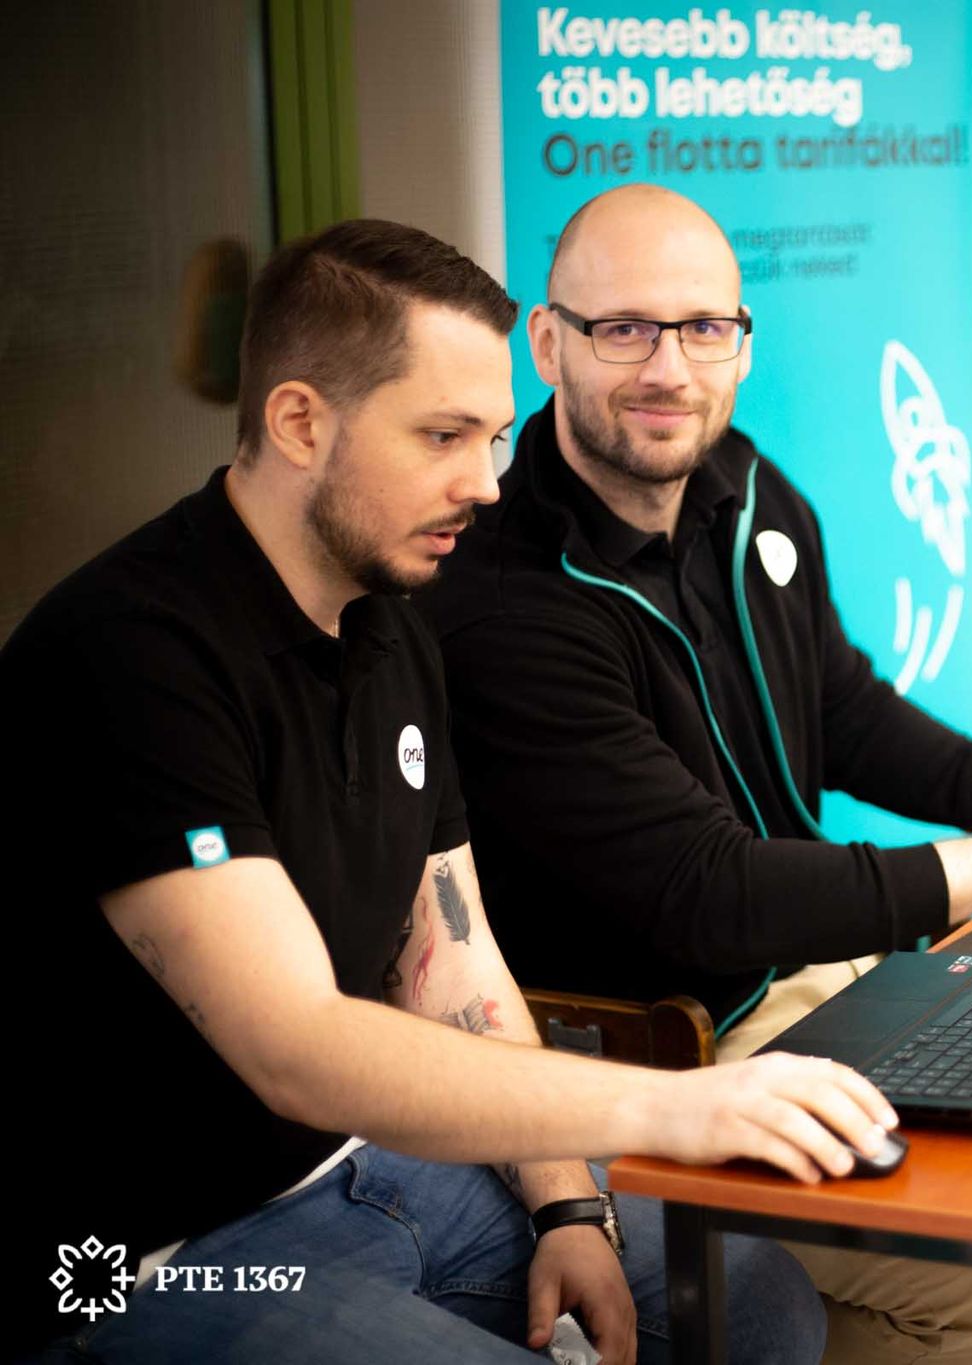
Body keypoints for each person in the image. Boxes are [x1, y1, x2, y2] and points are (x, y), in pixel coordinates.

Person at [8, 219, 906, 1364]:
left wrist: (567, 1203)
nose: (483, 484)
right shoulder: (131, 653)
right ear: (299, 422)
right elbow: (294, 1046)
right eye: (442, 436)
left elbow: (450, 958)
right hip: (132, 1254)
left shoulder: (392, 627)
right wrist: (666, 1107)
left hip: (359, 1171)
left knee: (754, 1299)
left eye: (491, 437)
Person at [420, 183, 972, 1362]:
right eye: (625, 329)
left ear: (743, 343)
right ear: (547, 345)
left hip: (821, 975)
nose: (669, 368)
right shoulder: (503, 598)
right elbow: (705, 894)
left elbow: (845, 712)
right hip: (669, 1047)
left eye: (703, 328)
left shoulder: (747, 488)